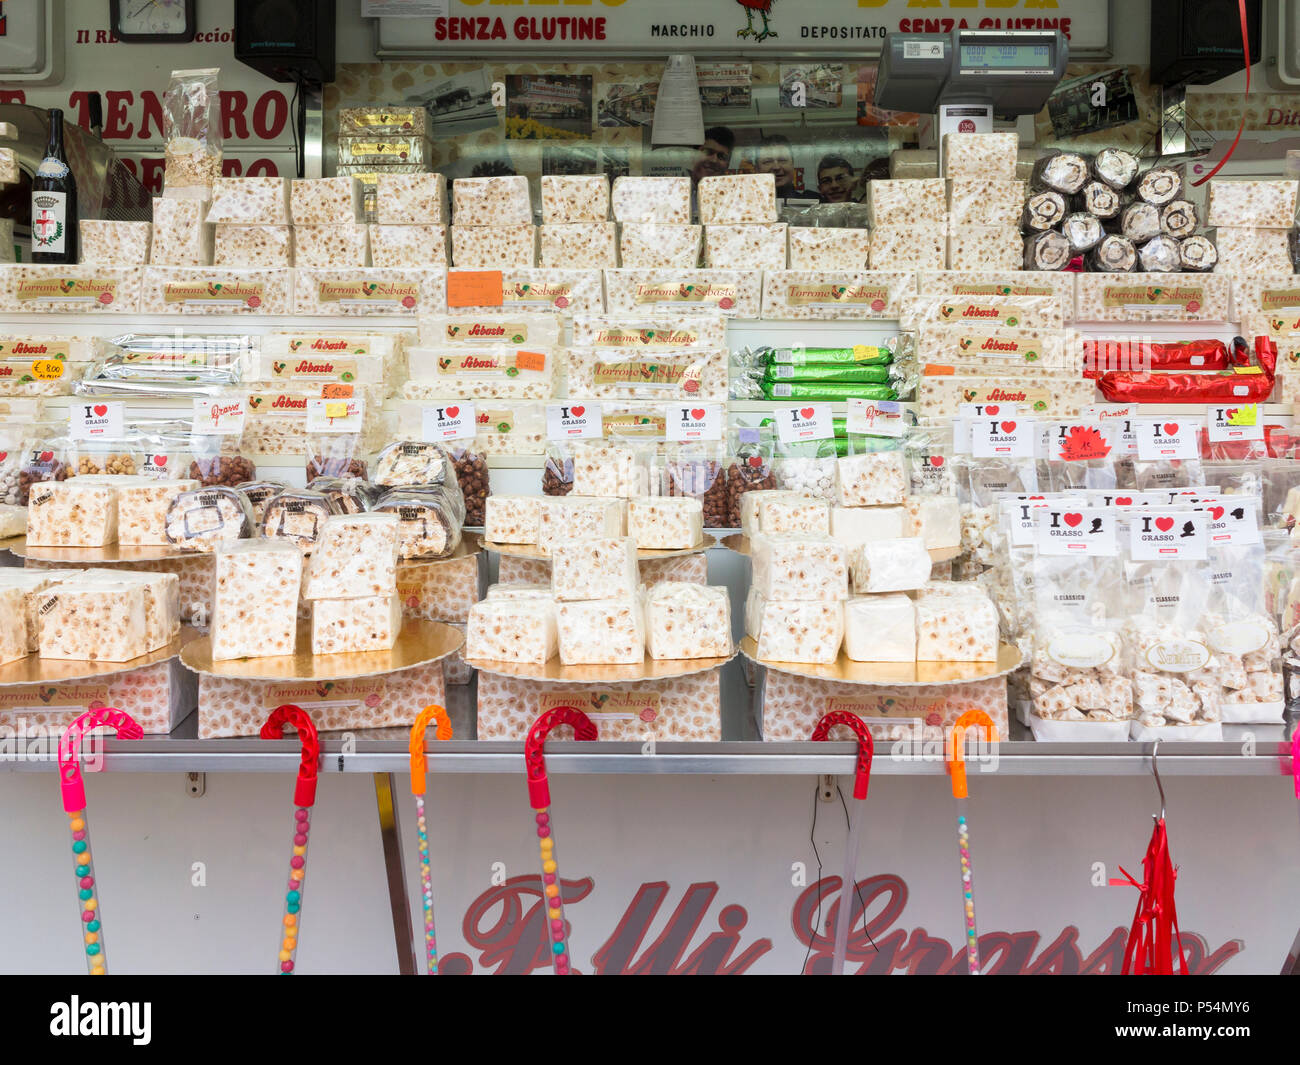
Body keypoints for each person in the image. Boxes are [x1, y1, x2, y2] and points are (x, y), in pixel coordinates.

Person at [756, 133, 822, 201]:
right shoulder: (746, 205)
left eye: (782, 160)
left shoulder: (814, 202)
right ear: (757, 169)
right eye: (768, 162)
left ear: (793, 165)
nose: (776, 167)